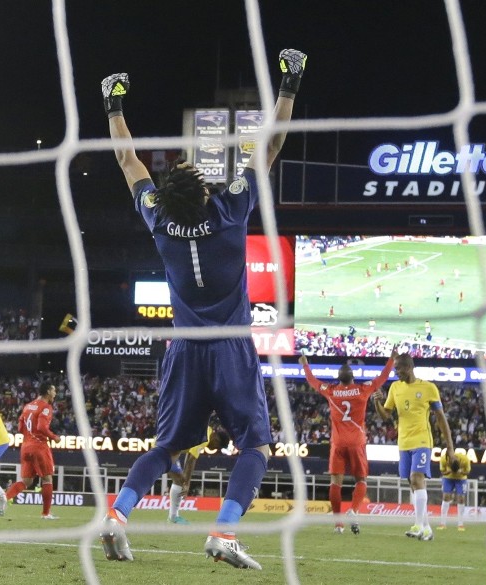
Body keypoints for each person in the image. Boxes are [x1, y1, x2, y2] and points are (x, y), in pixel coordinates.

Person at [98, 47, 307, 571]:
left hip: (184, 351)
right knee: (256, 446)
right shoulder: (232, 208)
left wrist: (113, 106)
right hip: (231, 348)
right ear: (206, 189)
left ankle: (117, 516)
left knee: (167, 447)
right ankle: (223, 532)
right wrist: (289, 86)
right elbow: (272, 143)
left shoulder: (159, 222)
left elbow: (129, 160)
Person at [299, 353, 394, 535]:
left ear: (338, 379)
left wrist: (305, 364)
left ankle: (338, 525)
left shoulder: (331, 391)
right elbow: (383, 377)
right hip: (357, 441)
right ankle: (354, 510)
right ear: (353, 377)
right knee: (361, 480)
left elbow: (313, 381)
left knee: (335, 482)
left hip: (338, 442)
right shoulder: (362, 390)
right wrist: (391, 360)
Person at [374, 351, 456, 541]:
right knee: (414, 484)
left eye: (399, 369)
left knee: (416, 477)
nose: (396, 372)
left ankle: (418, 525)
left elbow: (441, 419)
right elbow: (386, 415)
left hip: (422, 441)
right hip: (403, 443)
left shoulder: (428, 388)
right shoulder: (395, 387)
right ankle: (427, 528)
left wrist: (450, 447)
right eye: (395, 369)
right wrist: (377, 401)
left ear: (409, 367)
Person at [4, 382, 60, 519]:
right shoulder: (46, 407)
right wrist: (54, 437)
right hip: (39, 446)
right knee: (47, 479)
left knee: (27, 481)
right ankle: (45, 514)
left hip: (25, 446)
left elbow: (20, 427)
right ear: (48, 391)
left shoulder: (28, 406)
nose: (55, 393)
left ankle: (4, 497)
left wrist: (29, 437)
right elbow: (41, 427)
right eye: (54, 390)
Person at [166, 426, 231, 524]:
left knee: (179, 480)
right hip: (166, 447)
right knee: (179, 481)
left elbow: (189, 456)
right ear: (216, 438)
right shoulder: (205, 436)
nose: (215, 449)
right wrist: (187, 484)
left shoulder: (205, 430)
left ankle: (173, 517)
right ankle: (173, 517)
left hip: (168, 445)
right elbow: (191, 459)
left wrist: (186, 480)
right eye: (217, 446)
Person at [438, 449, 471, 530]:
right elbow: (442, 472)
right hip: (448, 478)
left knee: (461, 498)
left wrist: (461, 472)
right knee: (446, 497)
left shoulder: (465, 459)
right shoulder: (443, 459)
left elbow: (467, 472)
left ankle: (460, 524)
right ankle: (442, 523)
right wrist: (448, 472)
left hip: (461, 479)